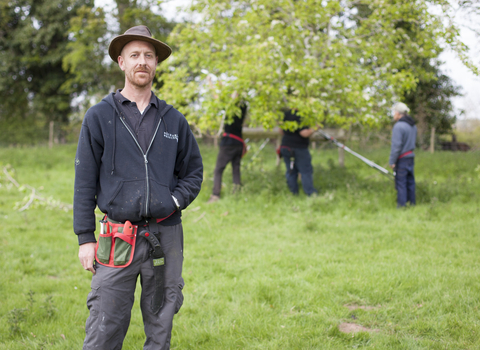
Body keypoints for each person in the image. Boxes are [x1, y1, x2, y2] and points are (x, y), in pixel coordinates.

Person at [74, 25, 203, 349]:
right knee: (105, 323)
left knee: (161, 323)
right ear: (121, 62)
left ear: (156, 63)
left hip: (166, 235)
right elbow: (84, 181)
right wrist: (85, 238)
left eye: (149, 55)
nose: (142, 62)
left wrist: (172, 200)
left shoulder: (174, 120)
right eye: (135, 55)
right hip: (118, 234)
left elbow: (194, 172)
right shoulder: (99, 116)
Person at [207, 98, 247, 203]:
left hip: (228, 143)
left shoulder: (230, 108)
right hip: (239, 143)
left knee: (218, 170)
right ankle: (236, 193)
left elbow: (220, 101)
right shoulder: (243, 108)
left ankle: (215, 195)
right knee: (236, 169)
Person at [279, 108, 318, 196]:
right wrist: (316, 127)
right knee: (305, 171)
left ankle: (293, 192)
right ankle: (310, 193)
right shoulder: (300, 115)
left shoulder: (286, 114)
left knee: (291, 171)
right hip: (299, 147)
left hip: (285, 146)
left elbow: (280, 130)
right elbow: (304, 133)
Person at [389, 102, 417, 207]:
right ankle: (412, 204)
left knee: (401, 183)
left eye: (394, 112)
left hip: (402, 159)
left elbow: (396, 146)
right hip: (410, 157)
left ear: (398, 113)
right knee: (410, 182)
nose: (393, 115)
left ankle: (401, 206)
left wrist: (392, 161)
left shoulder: (398, 126)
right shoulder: (413, 126)